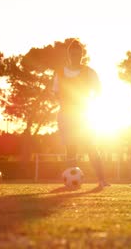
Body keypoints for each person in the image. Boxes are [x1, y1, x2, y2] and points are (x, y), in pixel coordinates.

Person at [53, 40, 109, 187]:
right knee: (70, 148)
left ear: (82, 55)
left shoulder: (90, 72)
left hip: (84, 115)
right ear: (69, 54)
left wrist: (88, 102)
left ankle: (102, 180)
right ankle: (71, 181)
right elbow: (57, 93)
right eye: (72, 52)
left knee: (91, 146)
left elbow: (98, 90)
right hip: (66, 114)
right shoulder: (60, 72)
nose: (75, 55)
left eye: (78, 53)